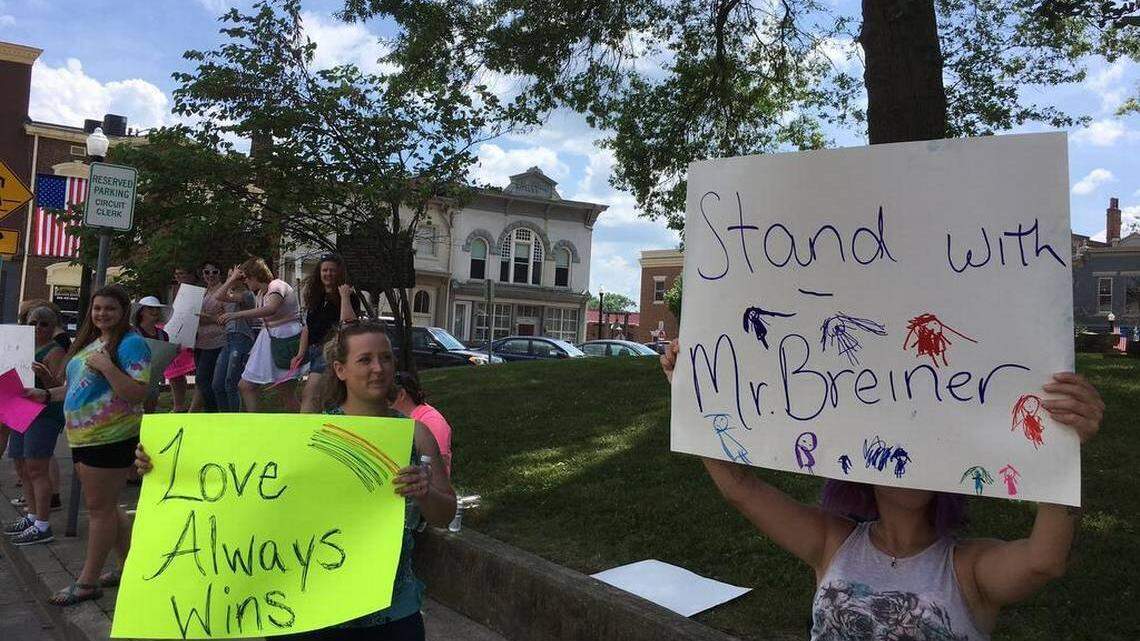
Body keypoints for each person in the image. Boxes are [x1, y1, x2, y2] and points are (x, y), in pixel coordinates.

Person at [658, 340, 1103, 640]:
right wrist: (694, 392)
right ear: (862, 466)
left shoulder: (968, 567)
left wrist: (1064, 448)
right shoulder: (833, 543)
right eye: (892, 451)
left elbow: (1045, 559)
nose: (907, 465)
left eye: (922, 450)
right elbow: (741, 488)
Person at [136, 320, 456, 640]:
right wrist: (164, 465)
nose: (379, 368)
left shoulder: (415, 435)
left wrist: (425, 492)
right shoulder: (308, 436)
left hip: (391, 613)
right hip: (312, 609)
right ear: (340, 369)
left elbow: (445, 514)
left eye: (386, 358)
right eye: (365, 359)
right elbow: (237, 484)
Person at [25, 284, 151, 606]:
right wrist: (45, 394)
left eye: (110, 308)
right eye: (97, 308)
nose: (102, 314)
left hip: (110, 438)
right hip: (82, 438)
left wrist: (108, 366)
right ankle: (129, 566)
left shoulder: (131, 343)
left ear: (124, 311)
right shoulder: (94, 341)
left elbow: (138, 393)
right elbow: (75, 389)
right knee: (110, 507)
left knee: (99, 510)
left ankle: (87, 581)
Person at [3, 306, 67, 545]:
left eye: (44, 324)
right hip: (19, 407)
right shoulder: (21, 346)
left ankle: (42, 524)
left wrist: (46, 376)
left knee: (37, 467)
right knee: (21, 464)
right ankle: (31, 516)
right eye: (34, 323)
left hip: (43, 413)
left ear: (53, 328)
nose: (38, 328)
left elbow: (61, 386)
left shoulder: (55, 351)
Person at [218, 258, 303, 412]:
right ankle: (255, 422)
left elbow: (271, 308)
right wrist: (232, 279)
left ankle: (305, 424)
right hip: (269, 339)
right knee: (246, 385)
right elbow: (220, 296)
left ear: (255, 275)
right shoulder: (260, 294)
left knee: (286, 393)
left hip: (284, 338)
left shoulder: (277, 286)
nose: (244, 282)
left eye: (245, 278)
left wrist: (236, 315)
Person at [293, 254, 361, 413]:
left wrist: (344, 297)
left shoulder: (349, 296)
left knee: (310, 393)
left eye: (332, 270)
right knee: (323, 397)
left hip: (330, 351)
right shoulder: (316, 295)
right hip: (313, 351)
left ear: (339, 273)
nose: (328, 274)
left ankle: (304, 430)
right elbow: (307, 327)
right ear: (319, 272)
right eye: (325, 270)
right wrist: (300, 353)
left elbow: (347, 324)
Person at [209, 268, 257, 412]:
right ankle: (223, 417)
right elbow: (219, 296)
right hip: (228, 340)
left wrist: (232, 279)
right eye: (229, 276)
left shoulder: (247, 295)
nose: (230, 279)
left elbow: (219, 295)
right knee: (217, 384)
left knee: (231, 383)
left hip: (241, 339)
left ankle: (234, 418)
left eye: (234, 276)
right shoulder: (229, 295)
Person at [391, 372, 453, 477]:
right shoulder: (400, 419)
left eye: (387, 395)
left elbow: (438, 466)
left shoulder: (432, 421)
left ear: (401, 394)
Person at [190, 261, 227, 411]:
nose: (210, 275)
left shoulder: (224, 291)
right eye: (207, 272)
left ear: (220, 273)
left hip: (216, 341)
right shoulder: (203, 292)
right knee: (203, 381)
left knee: (203, 379)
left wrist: (209, 318)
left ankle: (213, 412)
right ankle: (206, 412)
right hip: (200, 341)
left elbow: (229, 318)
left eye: (214, 271)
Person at [130, 296, 171, 414]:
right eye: (150, 308)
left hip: (153, 380)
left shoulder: (163, 335)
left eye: (157, 309)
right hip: (134, 379)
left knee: (150, 409)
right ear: (141, 311)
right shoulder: (132, 333)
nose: (154, 311)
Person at [164, 266, 197, 412]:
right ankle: (179, 405)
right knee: (174, 371)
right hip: (175, 333)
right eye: (176, 274)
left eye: (182, 273)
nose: (178, 277)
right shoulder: (176, 289)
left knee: (196, 372)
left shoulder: (196, 291)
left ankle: (191, 408)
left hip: (190, 335)